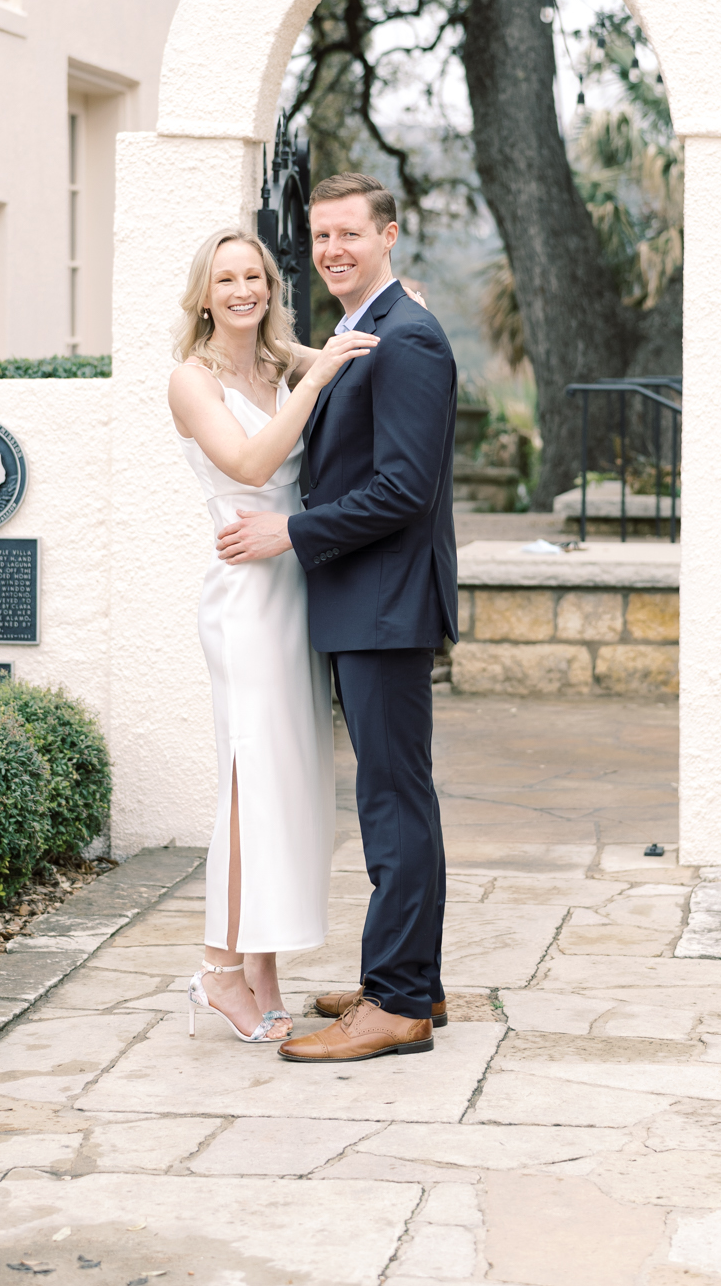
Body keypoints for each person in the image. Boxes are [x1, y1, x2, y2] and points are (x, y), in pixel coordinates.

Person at [217, 173, 458, 1064]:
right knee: (400, 796)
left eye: (349, 233)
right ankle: (412, 980)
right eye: (319, 237)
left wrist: (292, 530)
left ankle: (394, 1002)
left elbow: (403, 489)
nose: (332, 250)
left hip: (386, 604)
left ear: (388, 234)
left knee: (392, 803)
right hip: (367, 603)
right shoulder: (367, 331)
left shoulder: (409, 339)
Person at [169, 228, 379, 1045]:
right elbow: (253, 465)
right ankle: (219, 969)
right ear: (205, 293)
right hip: (245, 597)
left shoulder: (278, 359)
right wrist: (317, 371)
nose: (243, 290)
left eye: (253, 275)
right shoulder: (195, 379)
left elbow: (364, 343)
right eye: (226, 278)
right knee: (247, 781)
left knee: (289, 783)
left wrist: (402, 314)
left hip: (295, 585)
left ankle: (263, 968)